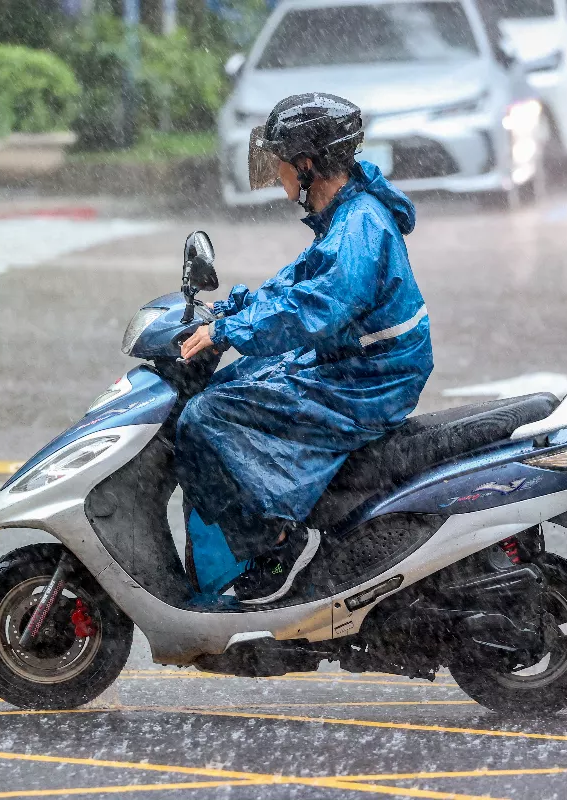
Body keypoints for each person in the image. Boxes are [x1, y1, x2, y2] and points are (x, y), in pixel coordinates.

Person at [175, 93, 433, 605]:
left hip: (370, 378)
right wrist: (230, 312)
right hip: (356, 361)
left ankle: (273, 546)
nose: (276, 174)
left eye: (281, 162)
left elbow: (315, 308)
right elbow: (294, 284)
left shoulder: (358, 226)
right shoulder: (346, 211)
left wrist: (232, 333)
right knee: (233, 381)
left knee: (205, 417)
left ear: (308, 164)